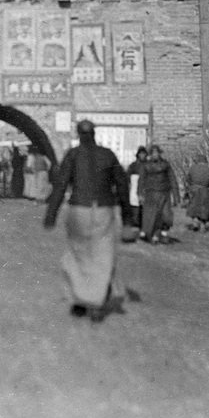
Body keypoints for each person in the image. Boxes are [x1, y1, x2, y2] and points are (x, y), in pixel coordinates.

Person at [44, 120, 131, 323]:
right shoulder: (107, 154)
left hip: (79, 209)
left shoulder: (73, 155)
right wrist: (128, 215)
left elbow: (61, 184)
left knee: (78, 254)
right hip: (103, 209)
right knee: (102, 254)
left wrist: (51, 214)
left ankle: (81, 300)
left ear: (79, 134)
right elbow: (122, 184)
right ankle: (96, 301)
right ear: (94, 134)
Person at [139, 144, 180, 244]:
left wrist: (176, 196)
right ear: (150, 154)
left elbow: (172, 179)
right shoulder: (146, 166)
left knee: (166, 216)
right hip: (151, 194)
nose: (155, 155)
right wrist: (140, 194)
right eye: (153, 153)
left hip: (164, 193)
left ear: (160, 153)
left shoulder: (166, 165)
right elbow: (141, 180)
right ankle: (153, 235)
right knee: (152, 217)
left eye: (157, 153)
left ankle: (162, 234)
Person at [185, 153, 209, 232]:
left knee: (194, 206)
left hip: (194, 190)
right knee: (205, 207)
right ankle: (204, 224)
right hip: (205, 190)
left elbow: (188, 179)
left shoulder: (192, 168)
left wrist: (190, 188)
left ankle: (195, 222)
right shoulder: (208, 169)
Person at [126, 146, 148, 231]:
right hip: (134, 187)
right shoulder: (133, 165)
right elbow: (128, 177)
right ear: (138, 155)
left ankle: (144, 226)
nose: (142, 155)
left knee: (145, 208)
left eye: (144, 154)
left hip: (145, 187)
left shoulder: (148, 165)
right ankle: (135, 225)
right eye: (140, 154)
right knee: (135, 208)